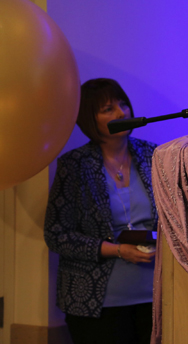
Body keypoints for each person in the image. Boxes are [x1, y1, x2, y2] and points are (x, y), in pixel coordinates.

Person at [44, 78, 158, 344]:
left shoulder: (153, 155)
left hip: (154, 296)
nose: (121, 113)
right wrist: (117, 250)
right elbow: (56, 235)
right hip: (94, 303)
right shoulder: (75, 165)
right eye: (108, 109)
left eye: (123, 104)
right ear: (89, 119)